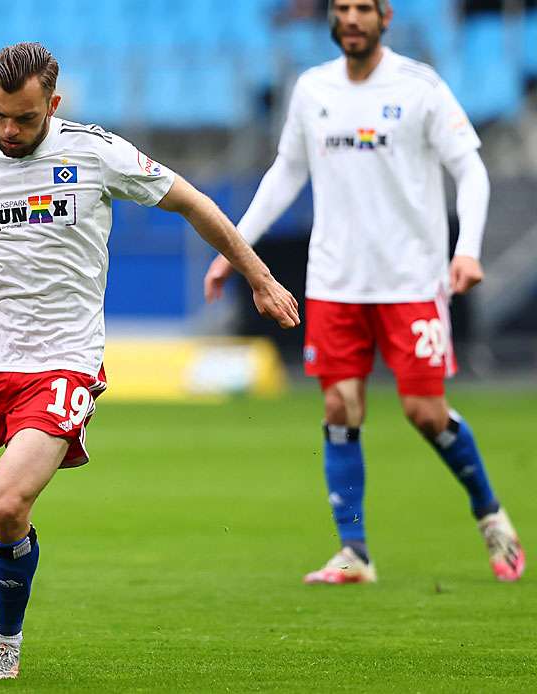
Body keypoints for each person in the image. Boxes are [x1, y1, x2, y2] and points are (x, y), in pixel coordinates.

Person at [0, 42, 299, 681]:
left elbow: (193, 202)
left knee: (7, 505)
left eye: (25, 119)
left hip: (62, 361)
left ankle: (4, 640)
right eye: (0, 115)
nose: (9, 131)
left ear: (53, 105)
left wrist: (257, 277)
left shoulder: (96, 153)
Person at [203, 0, 524, 585]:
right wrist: (237, 249)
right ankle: (355, 551)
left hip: (411, 281)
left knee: (424, 413)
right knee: (338, 407)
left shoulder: (419, 86)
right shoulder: (312, 88)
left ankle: (489, 512)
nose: (351, 18)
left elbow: (470, 170)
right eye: (342, 8)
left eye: (363, 9)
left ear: (386, 17)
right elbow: (285, 173)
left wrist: (468, 248)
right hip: (335, 282)